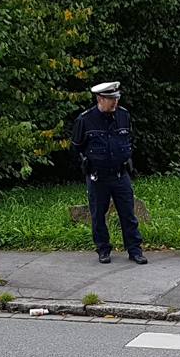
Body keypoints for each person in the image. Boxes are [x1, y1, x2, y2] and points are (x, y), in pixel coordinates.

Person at [70, 81, 148, 264]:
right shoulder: (85, 119)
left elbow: (129, 138)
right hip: (98, 176)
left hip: (120, 174)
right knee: (98, 214)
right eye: (110, 99)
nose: (115, 103)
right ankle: (103, 249)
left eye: (116, 98)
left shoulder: (123, 115)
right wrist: (85, 163)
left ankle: (134, 250)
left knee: (128, 213)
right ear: (100, 99)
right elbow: (76, 147)